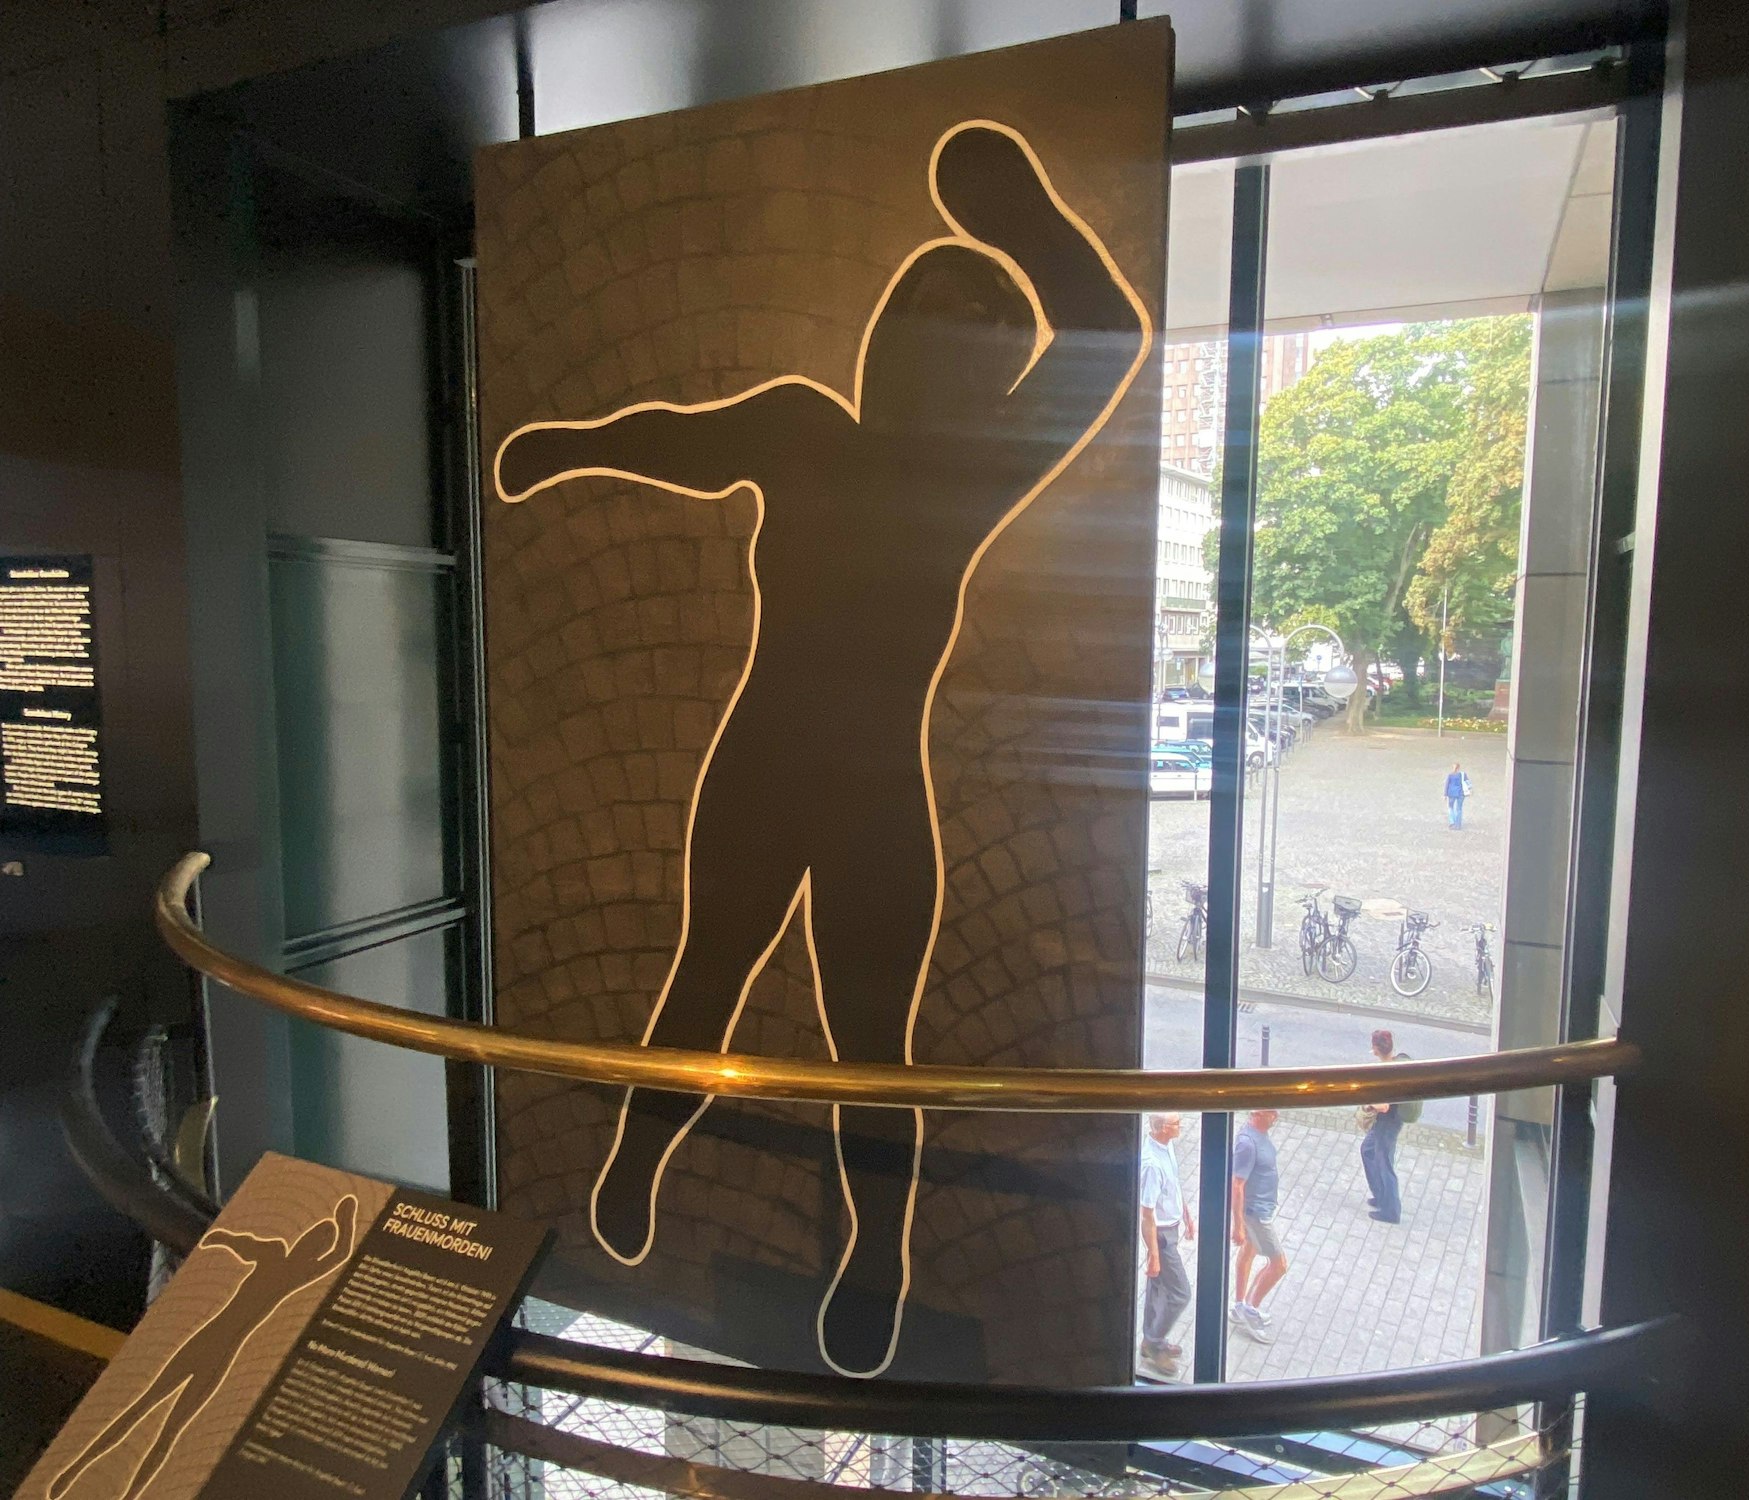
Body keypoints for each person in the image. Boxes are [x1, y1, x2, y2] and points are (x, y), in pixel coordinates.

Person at [495, 121, 1150, 1378]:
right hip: (763, 759)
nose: (951, 361)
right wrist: (569, 446)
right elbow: (680, 437)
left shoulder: (968, 474)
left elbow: (1101, 333)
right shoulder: (806, 429)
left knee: (870, 1044)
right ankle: (639, 1155)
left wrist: (1020, 217)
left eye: (976, 340)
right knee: (704, 982)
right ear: (885, 346)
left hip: (871, 789)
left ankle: (876, 1254)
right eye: (932, 329)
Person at [49, 1196, 359, 1500]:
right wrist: (344, 1218)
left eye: (316, 1242)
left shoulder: (288, 1266)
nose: (311, 1244)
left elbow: (330, 1252)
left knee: (165, 1429)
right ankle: (73, 1474)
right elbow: (243, 1240)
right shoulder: (283, 1261)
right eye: (314, 1239)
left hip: (218, 1351)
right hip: (212, 1345)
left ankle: (122, 1490)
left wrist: (343, 1218)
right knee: (142, 1413)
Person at [1137, 1112, 1193, 1378]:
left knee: (1158, 1288)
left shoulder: (1166, 1146)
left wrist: (1186, 1215)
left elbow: (1174, 1186)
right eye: (1175, 1123)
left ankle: (1151, 1341)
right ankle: (1153, 1342)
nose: (1180, 1126)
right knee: (1181, 1293)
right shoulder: (1151, 1164)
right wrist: (1154, 1254)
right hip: (1161, 1235)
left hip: (1171, 1227)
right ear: (1160, 1128)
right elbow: (1147, 1214)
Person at [1230, 1108, 1287, 1342]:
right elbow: (1237, 1185)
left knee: (1249, 1252)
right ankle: (1250, 1310)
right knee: (1279, 1264)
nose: (1277, 1115)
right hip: (1256, 1214)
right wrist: (1239, 1225)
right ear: (1258, 1113)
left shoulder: (1258, 1135)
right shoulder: (1247, 1144)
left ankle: (1239, 1305)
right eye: (1272, 1112)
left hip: (1260, 1209)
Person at [1360, 1029, 1416, 1224]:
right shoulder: (1395, 1064)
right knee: (1367, 1150)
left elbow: (1383, 1106)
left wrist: (1367, 1102)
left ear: (1375, 1049)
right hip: (1389, 1121)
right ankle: (1381, 1196)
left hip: (1388, 1123)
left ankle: (1391, 1211)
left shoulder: (1386, 1073)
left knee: (1385, 1163)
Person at [1444, 762, 1470, 829]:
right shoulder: (1463, 774)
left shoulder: (1450, 775)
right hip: (1461, 793)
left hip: (1451, 794)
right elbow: (1468, 783)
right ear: (1459, 768)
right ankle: (1458, 825)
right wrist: (1469, 790)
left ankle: (1452, 822)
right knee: (1459, 809)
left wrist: (1445, 794)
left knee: (1450, 807)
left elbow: (1446, 785)